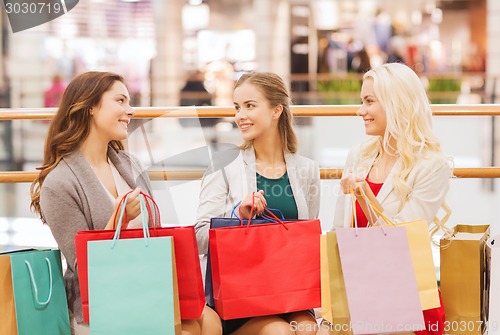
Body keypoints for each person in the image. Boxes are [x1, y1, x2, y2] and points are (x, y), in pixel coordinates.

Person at [30, 71, 222, 335]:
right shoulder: (59, 183)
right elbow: (82, 266)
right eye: (120, 101)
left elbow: (154, 235)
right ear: (90, 108)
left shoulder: (130, 165)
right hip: (102, 303)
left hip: (148, 287)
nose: (130, 111)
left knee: (210, 321)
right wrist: (120, 219)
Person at [326, 63, 450, 335]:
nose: (361, 111)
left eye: (369, 101)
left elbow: (401, 241)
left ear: (397, 103)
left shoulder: (433, 165)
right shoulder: (359, 155)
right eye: (361, 101)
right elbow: (340, 232)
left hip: (406, 298)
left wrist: (365, 196)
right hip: (359, 289)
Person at [195, 71, 320, 335]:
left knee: (310, 330)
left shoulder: (307, 169)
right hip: (241, 296)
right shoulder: (224, 164)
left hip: (290, 291)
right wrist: (236, 216)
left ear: (276, 110)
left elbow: (306, 239)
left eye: (250, 106)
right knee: (279, 332)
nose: (240, 115)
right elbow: (198, 237)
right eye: (237, 107)